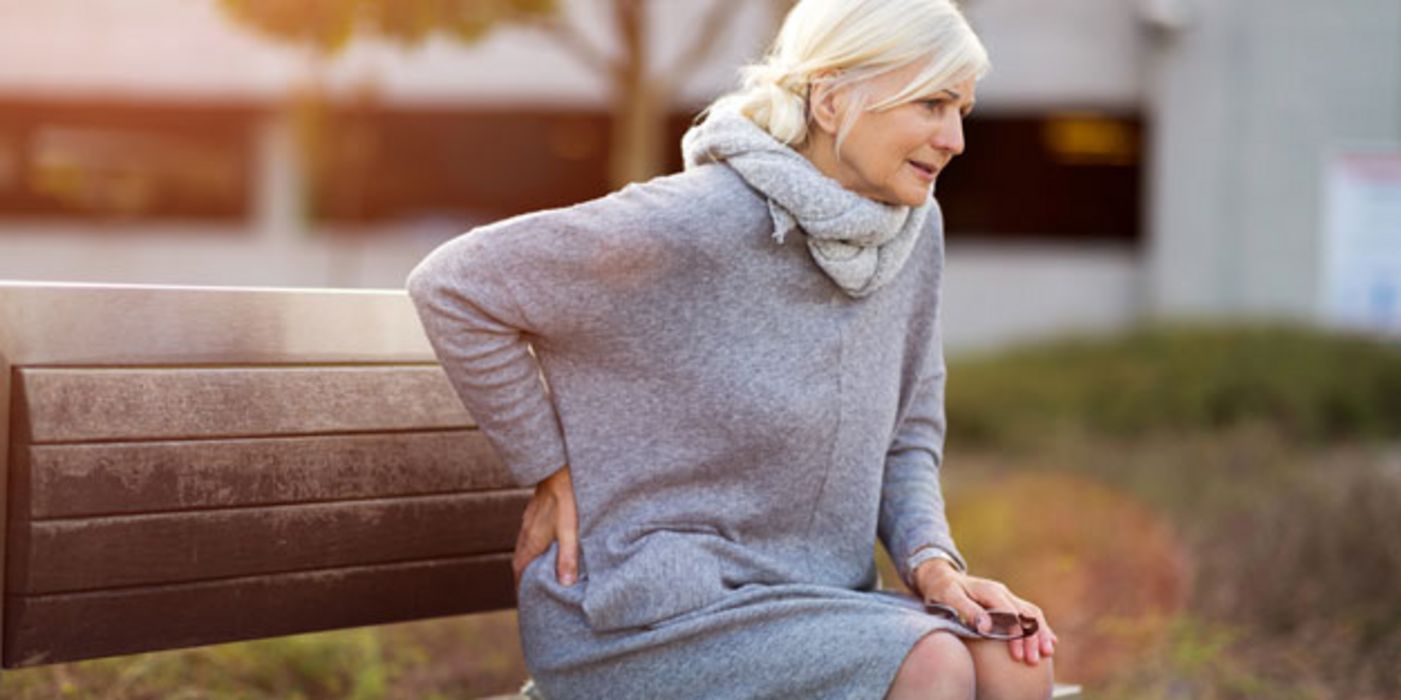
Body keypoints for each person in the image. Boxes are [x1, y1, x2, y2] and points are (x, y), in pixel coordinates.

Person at [407, 0, 1057, 697]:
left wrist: (934, 568)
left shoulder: (912, 231)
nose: (955, 138)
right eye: (930, 103)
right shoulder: (697, 220)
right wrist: (549, 468)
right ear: (833, 101)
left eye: (961, 107)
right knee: (933, 664)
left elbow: (907, 434)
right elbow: (454, 284)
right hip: (643, 615)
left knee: (1015, 661)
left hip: (810, 604)